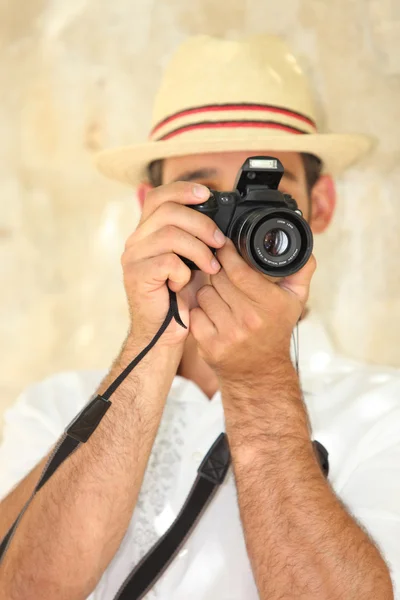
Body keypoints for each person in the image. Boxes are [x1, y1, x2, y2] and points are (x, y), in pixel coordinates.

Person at [0, 34, 398, 600]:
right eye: (206, 195)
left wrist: (260, 384)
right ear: (149, 210)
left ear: (322, 205)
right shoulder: (55, 410)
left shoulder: (387, 416)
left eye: (268, 196)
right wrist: (152, 339)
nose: (238, 230)